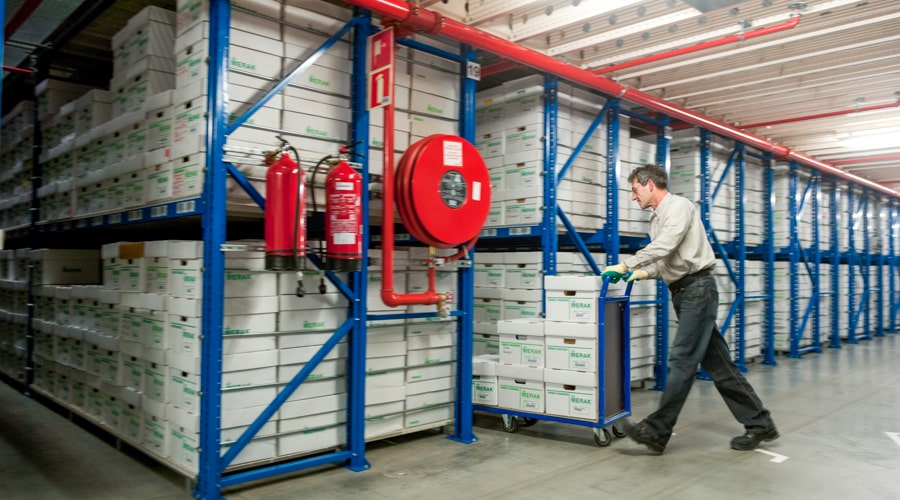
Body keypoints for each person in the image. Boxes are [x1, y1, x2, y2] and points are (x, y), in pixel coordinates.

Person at [602, 163, 777, 454]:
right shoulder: (656, 220)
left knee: (682, 359)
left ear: (649, 185)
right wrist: (644, 273)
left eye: (634, 190)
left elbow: (667, 244)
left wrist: (627, 263)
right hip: (684, 292)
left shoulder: (678, 207)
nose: (633, 197)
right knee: (721, 367)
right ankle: (760, 424)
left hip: (698, 290)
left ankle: (657, 431)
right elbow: (666, 260)